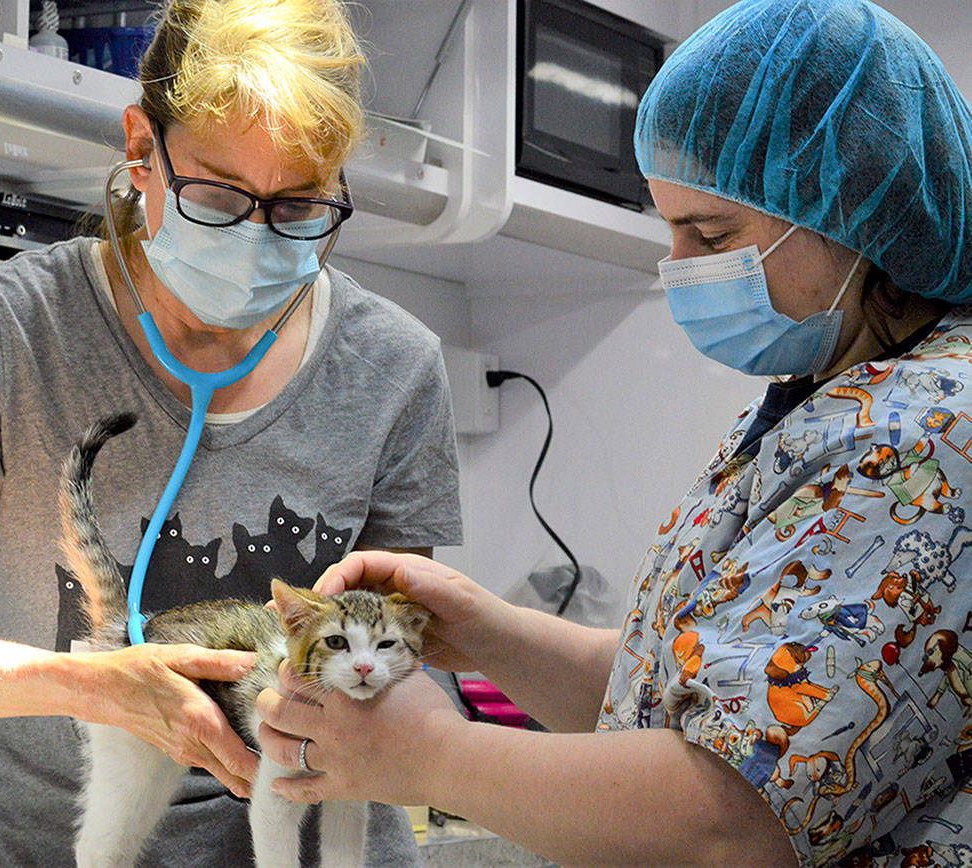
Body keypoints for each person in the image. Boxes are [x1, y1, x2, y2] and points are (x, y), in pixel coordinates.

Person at [256, 0, 972, 864]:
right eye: (669, 226)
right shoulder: (823, 397)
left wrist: (428, 755)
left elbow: (728, 818)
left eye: (711, 233)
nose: (677, 265)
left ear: (856, 213)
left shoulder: (925, 436)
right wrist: (486, 631)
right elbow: (694, 705)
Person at [0, 0, 462, 864]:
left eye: (300, 205)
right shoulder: (12, 328)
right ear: (140, 149)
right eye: (222, 195)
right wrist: (90, 686)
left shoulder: (394, 366)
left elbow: (409, 652)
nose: (258, 236)